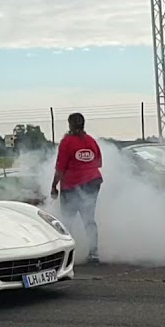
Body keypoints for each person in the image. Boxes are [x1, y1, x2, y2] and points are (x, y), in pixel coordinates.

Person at [51, 112, 103, 263]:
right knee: (89, 219)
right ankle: (94, 254)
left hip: (72, 185)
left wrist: (54, 187)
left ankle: (67, 256)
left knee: (67, 221)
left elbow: (60, 169)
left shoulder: (67, 142)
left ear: (70, 124)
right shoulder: (91, 141)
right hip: (93, 182)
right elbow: (98, 163)